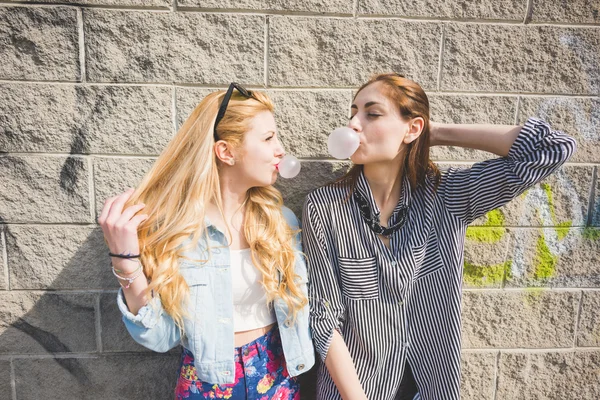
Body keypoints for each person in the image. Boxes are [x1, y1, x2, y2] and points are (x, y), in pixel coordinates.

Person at [301, 73, 576, 400]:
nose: (353, 124)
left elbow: (551, 149)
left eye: (371, 114)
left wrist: (435, 133)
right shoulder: (324, 206)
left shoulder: (449, 196)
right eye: (353, 113)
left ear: (412, 128)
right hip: (353, 390)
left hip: (431, 387)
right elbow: (324, 314)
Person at [98, 83, 314, 399]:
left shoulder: (281, 222)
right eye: (268, 138)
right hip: (206, 385)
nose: (280, 149)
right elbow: (159, 337)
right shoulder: (178, 233)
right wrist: (125, 259)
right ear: (226, 151)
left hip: (277, 379)